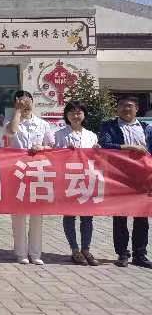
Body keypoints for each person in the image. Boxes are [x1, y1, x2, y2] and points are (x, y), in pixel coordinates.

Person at [98, 95, 152, 268]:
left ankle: (140, 254)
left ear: (137, 109)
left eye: (129, 105)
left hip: (143, 178)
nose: (125, 109)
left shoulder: (147, 128)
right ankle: (122, 254)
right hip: (119, 177)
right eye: (121, 105)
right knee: (120, 216)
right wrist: (129, 147)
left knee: (142, 217)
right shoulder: (109, 126)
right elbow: (105, 144)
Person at [4, 90, 55, 265]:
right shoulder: (10, 121)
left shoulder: (43, 124)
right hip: (17, 172)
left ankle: (35, 253)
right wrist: (17, 112)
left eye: (27, 101)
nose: (25, 105)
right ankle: (21, 253)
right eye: (21, 102)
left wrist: (42, 148)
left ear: (33, 102)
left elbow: (52, 145)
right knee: (18, 215)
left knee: (36, 215)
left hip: (38, 172)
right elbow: (11, 132)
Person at [56, 100, 100, 266]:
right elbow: (52, 155)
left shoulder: (91, 135)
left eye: (79, 112)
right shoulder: (59, 134)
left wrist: (98, 151)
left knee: (87, 217)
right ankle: (75, 249)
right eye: (72, 112)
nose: (76, 115)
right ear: (66, 115)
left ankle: (86, 249)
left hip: (87, 179)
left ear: (84, 115)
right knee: (69, 215)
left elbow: (96, 159)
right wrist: (63, 151)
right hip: (67, 179)